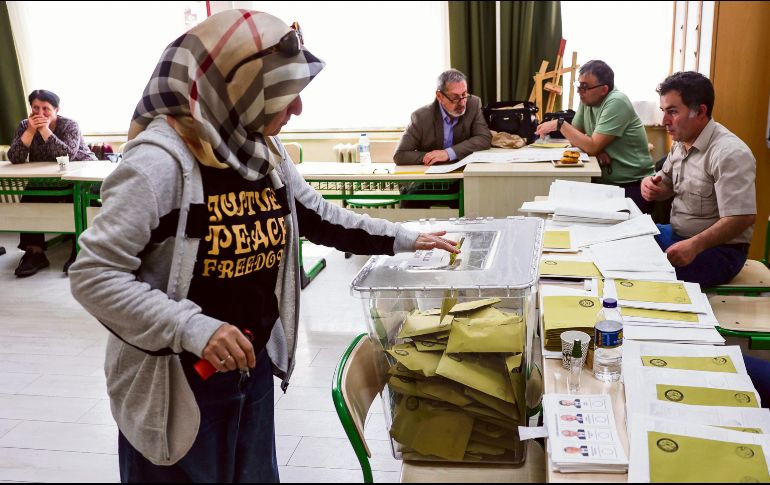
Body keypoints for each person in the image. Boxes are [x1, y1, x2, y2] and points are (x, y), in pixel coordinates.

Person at [68, 10, 458, 483]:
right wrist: (195, 328)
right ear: (241, 87)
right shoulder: (159, 163)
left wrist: (406, 238)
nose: (297, 111)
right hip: (176, 380)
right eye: (286, 95)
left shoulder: (260, 151)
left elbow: (318, 216)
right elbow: (94, 276)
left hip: (248, 365)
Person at [640, 71, 756, 288]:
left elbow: (742, 217)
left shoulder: (729, 153)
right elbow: (665, 183)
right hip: (677, 235)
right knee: (621, 246)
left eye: (672, 112)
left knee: (643, 274)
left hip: (719, 251)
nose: (664, 120)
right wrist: (652, 186)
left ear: (701, 111)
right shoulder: (681, 140)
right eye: (663, 111)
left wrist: (694, 245)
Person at [535, 60, 655, 213]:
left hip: (633, 185)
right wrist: (596, 150)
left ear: (604, 89)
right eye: (578, 85)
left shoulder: (616, 102)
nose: (580, 91)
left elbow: (588, 144)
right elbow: (576, 136)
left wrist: (560, 124)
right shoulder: (587, 100)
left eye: (585, 87)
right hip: (607, 182)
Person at [7, 89, 97, 277]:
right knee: (30, 197)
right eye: (35, 108)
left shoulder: (69, 125)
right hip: (48, 176)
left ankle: (80, 250)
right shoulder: (25, 125)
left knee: (78, 198)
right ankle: (35, 252)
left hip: (80, 172)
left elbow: (67, 155)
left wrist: (45, 130)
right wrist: (31, 131)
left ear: (57, 109)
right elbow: (15, 157)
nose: (40, 114)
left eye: (46, 109)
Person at [394, 69, 491, 208]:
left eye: (464, 95)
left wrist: (448, 153)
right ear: (439, 96)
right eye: (455, 97)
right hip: (428, 182)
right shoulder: (421, 117)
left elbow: (484, 138)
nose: (462, 102)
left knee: (476, 200)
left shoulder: (473, 103)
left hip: (460, 179)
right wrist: (430, 157)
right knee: (411, 202)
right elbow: (400, 155)